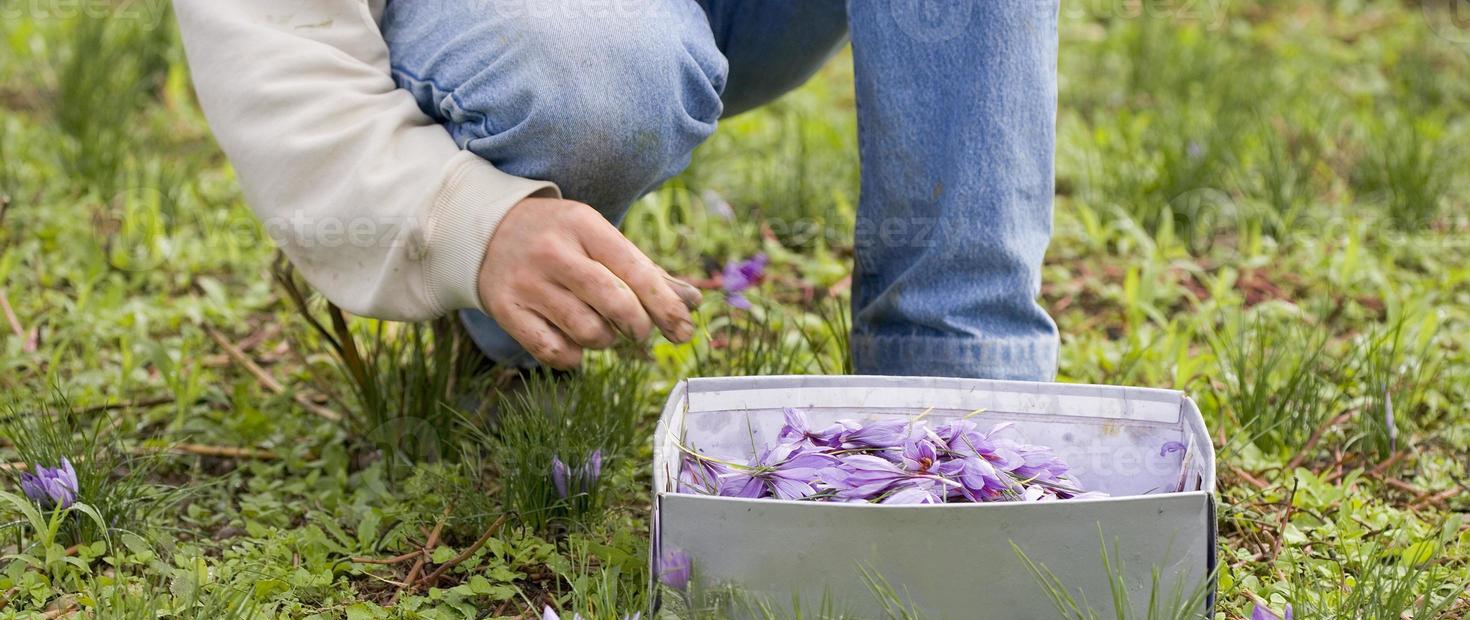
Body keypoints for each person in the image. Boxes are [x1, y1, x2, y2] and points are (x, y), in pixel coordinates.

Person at [175, 0, 1060, 380]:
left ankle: (955, 376)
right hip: (530, 37)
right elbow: (276, 41)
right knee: (595, 83)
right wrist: (465, 220)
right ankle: (518, 316)